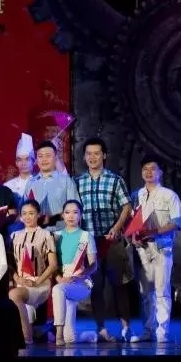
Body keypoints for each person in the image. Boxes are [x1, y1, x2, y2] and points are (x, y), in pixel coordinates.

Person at [74, 138, 134, 342]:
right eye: (88, 154)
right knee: (96, 286)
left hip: (112, 240)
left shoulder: (115, 180)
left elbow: (126, 206)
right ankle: (101, 329)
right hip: (91, 242)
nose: (92, 157)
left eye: (96, 153)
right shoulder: (78, 182)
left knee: (119, 285)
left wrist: (116, 228)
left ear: (104, 155)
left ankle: (126, 328)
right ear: (84, 157)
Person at [129, 155, 181, 344]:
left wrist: (154, 231)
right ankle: (147, 331)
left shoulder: (169, 195)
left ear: (160, 172)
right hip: (142, 249)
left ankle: (162, 332)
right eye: (145, 169)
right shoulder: (136, 195)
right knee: (145, 293)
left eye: (153, 168)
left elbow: (177, 223)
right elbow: (133, 222)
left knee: (161, 291)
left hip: (162, 248)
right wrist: (133, 236)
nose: (148, 172)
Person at [8, 199, 59, 344]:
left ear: (38, 214)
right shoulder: (14, 235)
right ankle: (35, 333)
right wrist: (18, 279)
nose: (27, 217)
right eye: (24, 213)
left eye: (31, 213)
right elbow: (10, 264)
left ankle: (26, 337)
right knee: (11, 294)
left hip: (40, 283)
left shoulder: (46, 235)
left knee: (14, 294)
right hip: (21, 282)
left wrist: (37, 281)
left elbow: (53, 265)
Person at [52, 200, 98, 346]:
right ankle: (89, 335)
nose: (71, 216)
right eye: (67, 212)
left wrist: (80, 276)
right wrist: (59, 278)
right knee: (70, 339)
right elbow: (51, 264)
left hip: (80, 283)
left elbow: (94, 265)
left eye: (75, 212)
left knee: (58, 289)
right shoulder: (56, 236)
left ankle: (58, 334)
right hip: (62, 281)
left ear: (81, 215)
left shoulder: (86, 236)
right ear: (62, 215)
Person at [22, 141, 80, 228]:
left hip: (60, 232)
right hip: (36, 232)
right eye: (40, 156)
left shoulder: (66, 181)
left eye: (48, 156)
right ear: (36, 160)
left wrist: (52, 218)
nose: (44, 159)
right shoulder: (31, 183)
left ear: (55, 158)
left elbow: (75, 210)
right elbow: (24, 210)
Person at [5, 133, 36, 198]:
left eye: (27, 159)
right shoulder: (8, 186)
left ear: (34, 161)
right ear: (16, 163)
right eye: (20, 160)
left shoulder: (41, 184)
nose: (23, 163)